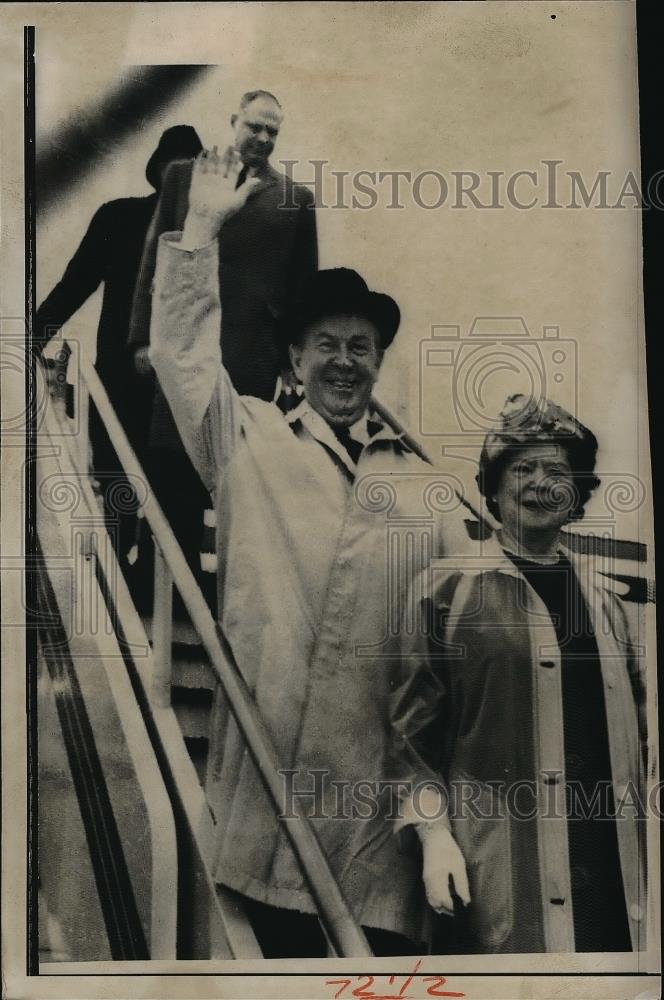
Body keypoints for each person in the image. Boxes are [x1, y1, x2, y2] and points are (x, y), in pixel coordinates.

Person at [147, 148, 468, 957]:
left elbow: (466, 625)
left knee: (383, 963)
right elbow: (183, 359)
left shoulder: (423, 485)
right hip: (271, 777)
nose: (344, 361)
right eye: (326, 344)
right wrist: (201, 234)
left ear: (378, 363)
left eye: (361, 347)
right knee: (279, 960)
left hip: (380, 799)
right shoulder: (246, 439)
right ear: (294, 360)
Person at [390, 394, 647, 954]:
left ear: (576, 493)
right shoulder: (445, 592)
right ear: (494, 484)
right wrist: (433, 836)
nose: (538, 484)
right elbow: (410, 743)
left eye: (557, 471)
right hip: (501, 883)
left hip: (611, 877)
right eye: (521, 468)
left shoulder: (610, 604)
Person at [128, 91, 318, 579]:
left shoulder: (295, 200)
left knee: (236, 472)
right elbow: (154, 258)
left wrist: (294, 364)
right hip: (184, 345)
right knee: (172, 465)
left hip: (251, 355)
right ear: (234, 121)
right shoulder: (183, 177)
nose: (263, 137)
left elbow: (303, 289)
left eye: (273, 130)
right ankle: (160, 583)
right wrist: (142, 340)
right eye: (254, 125)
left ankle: (227, 592)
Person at [35, 124, 203, 563]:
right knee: (117, 488)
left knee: (177, 496)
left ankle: (159, 588)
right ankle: (116, 585)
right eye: (173, 170)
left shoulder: (211, 237)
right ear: (157, 172)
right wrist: (32, 337)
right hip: (120, 381)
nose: (179, 182)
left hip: (181, 390)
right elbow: (76, 283)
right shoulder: (119, 217)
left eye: (190, 173)